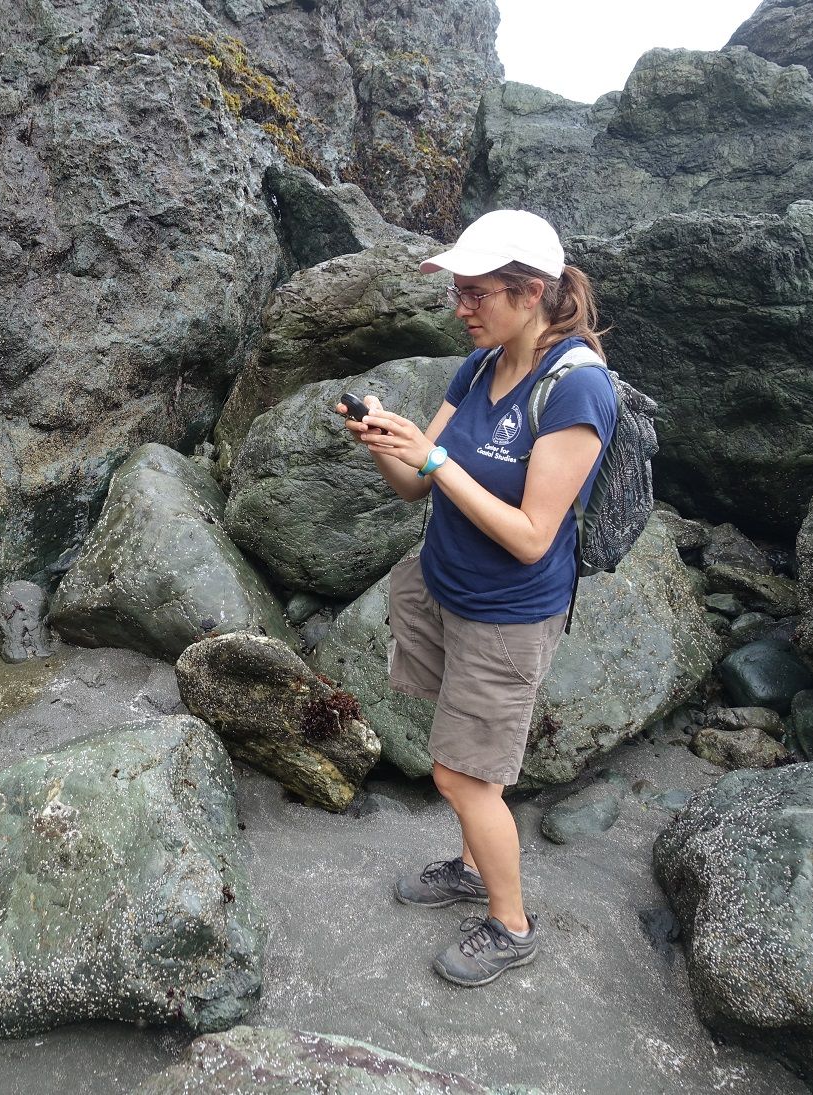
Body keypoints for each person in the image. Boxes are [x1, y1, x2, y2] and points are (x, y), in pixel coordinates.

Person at [339, 209, 616, 987]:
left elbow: (532, 533)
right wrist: (389, 445)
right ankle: (470, 865)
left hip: (509, 614)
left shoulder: (577, 390)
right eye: (457, 292)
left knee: (460, 775)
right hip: (444, 587)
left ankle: (511, 922)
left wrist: (432, 461)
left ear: (531, 293)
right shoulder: (480, 363)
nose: (461, 308)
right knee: (470, 766)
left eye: (476, 294)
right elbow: (413, 488)